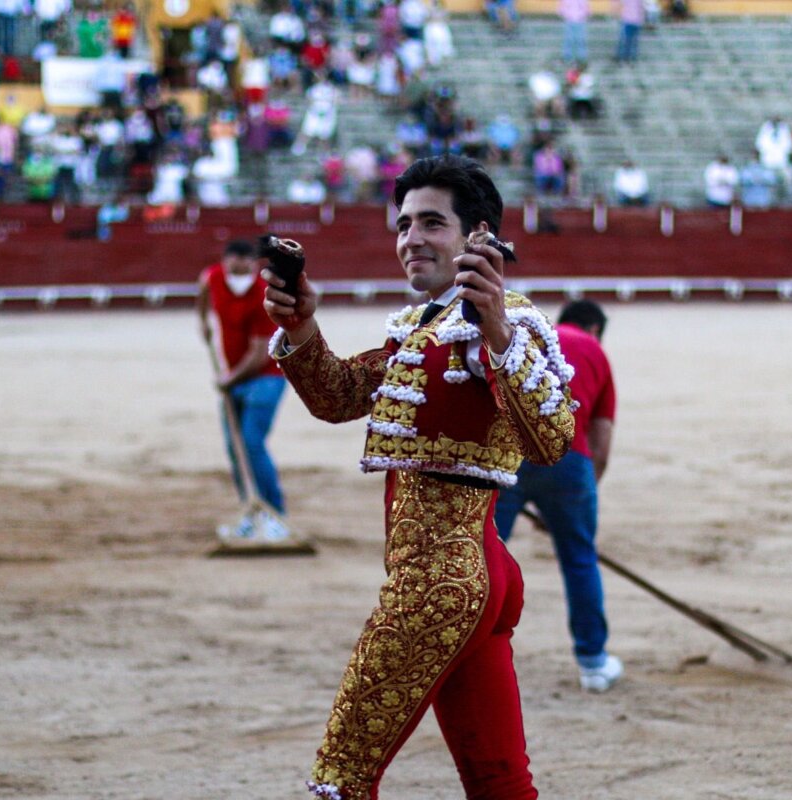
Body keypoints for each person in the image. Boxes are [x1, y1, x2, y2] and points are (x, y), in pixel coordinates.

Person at [262, 154, 575, 799]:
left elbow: (551, 442)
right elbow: (340, 396)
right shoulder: (421, 325)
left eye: (431, 223)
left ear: (478, 234)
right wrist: (300, 326)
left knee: (340, 780)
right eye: (403, 225)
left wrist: (495, 334)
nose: (410, 240)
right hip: (473, 579)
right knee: (500, 785)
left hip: (439, 582)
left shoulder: (509, 322)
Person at [494, 298, 620, 692]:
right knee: (580, 559)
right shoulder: (596, 352)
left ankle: (466, 656)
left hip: (509, 458)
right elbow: (600, 442)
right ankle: (594, 664)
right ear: (596, 329)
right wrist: (574, 505)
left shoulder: (527, 334)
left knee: (484, 558)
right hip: (570, 461)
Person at [198, 240, 288, 524]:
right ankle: (251, 509)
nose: (244, 268)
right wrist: (202, 320)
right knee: (233, 447)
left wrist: (227, 380)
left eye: (249, 262)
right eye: (238, 263)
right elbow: (202, 285)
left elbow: (259, 355)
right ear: (226, 262)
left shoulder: (264, 296)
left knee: (250, 442)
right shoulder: (213, 277)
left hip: (267, 377)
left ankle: (274, 514)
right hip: (237, 377)